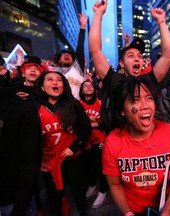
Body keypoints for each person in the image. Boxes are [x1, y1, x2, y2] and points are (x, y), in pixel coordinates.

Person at [102, 76, 170, 216]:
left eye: (149, 98)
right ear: (122, 111)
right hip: (132, 209)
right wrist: (127, 213)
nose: (145, 105)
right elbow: (114, 184)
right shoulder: (113, 141)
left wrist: (168, 209)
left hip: (165, 207)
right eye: (135, 100)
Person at [34, 71, 92, 216]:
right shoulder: (34, 107)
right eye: (50, 80)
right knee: (53, 195)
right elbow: (30, 138)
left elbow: (86, 128)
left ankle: (83, 212)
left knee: (79, 191)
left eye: (59, 80)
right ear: (41, 87)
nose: (55, 82)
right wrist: (38, 159)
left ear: (63, 85)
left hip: (73, 157)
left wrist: (74, 147)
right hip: (49, 161)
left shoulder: (73, 104)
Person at [89, 0, 170, 96]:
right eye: (131, 56)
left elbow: (167, 56)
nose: (137, 59)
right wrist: (98, 14)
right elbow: (95, 50)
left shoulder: (149, 81)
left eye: (140, 56)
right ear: (121, 63)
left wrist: (161, 21)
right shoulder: (115, 82)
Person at [0, 56, 42, 216]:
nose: (33, 71)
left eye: (36, 68)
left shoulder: (44, 92)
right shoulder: (15, 91)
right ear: (22, 72)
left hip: (40, 149)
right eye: (29, 67)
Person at [79, 80, 109, 208]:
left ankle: (103, 190)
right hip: (85, 141)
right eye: (85, 86)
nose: (88, 87)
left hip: (100, 140)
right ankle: (92, 186)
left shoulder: (101, 103)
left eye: (91, 85)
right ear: (81, 91)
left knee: (100, 167)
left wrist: (95, 124)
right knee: (87, 166)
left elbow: (108, 123)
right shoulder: (78, 105)